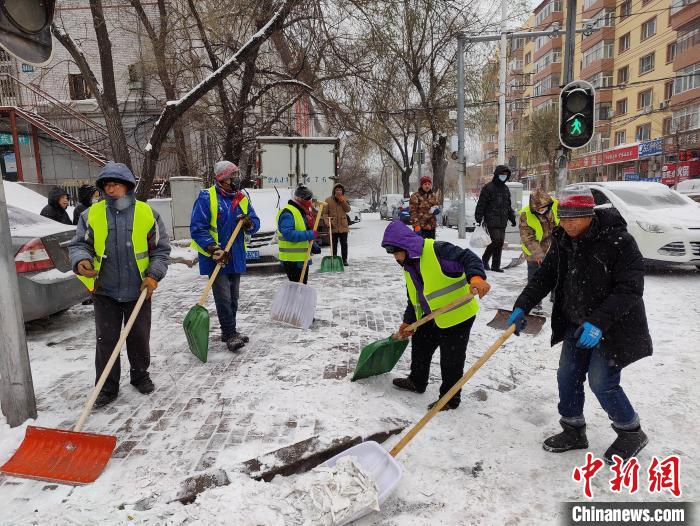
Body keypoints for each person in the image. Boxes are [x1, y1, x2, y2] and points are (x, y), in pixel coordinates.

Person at [507, 185, 651, 464]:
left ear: (589, 215)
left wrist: (598, 323)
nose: (568, 224)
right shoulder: (563, 239)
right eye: (564, 218)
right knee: (567, 375)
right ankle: (573, 429)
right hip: (575, 322)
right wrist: (522, 305)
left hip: (612, 327)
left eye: (575, 218)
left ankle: (630, 432)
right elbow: (545, 276)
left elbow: (630, 289)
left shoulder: (618, 241)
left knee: (602, 382)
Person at [70, 162, 171, 408]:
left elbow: (161, 250)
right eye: (106, 184)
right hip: (104, 290)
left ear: (128, 186)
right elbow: (80, 244)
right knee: (107, 340)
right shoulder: (91, 214)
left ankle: (139, 375)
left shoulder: (147, 214)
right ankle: (106, 387)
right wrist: (81, 260)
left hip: (139, 289)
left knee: (138, 338)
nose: (110, 188)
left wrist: (153, 276)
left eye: (115, 183)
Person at [381, 220, 491, 411]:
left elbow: (468, 258)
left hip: (459, 314)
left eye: (395, 252)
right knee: (421, 345)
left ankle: (450, 399)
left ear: (405, 246)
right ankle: (417, 381)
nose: (394, 257)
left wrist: (476, 277)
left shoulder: (437, 250)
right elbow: (414, 298)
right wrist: (409, 322)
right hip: (432, 315)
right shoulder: (409, 266)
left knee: (451, 359)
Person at [190, 161, 260, 352]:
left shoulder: (241, 198)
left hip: (235, 255)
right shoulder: (207, 197)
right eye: (233, 177)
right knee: (223, 297)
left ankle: (229, 330)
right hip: (216, 256)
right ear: (222, 179)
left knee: (233, 297)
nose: (236, 180)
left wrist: (248, 223)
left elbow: (255, 222)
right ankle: (230, 333)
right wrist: (213, 248)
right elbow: (197, 228)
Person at [519, 188, 559, 310]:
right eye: (538, 209)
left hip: (553, 244)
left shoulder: (556, 206)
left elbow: (562, 225)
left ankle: (556, 297)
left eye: (544, 208)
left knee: (558, 272)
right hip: (533, 248)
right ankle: (535, 302)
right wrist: (539, 256)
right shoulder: (526, 214)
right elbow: (528, 239)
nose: (542, 211)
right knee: (535, 276)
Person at [474, 165, 516, 272]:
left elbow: (508, 206)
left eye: (506, 175)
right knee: (495, 240)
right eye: (502, 174)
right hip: (491, 219)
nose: (504, 177)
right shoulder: (488, 188)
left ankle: (495, 266)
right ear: (497, 174)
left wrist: (512, 218)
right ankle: (484, 259)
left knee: (500, 242)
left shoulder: (506, 189)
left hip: (502, 220)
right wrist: (478, 217)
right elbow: (481, 204)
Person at [276, 185, 321, 284]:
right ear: (301, 199)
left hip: (301, 259)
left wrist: (314, 246)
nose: (310, 201)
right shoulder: (288, 213)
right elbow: (289, 234)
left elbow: (304, 229)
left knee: (301, 289)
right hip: (292, 261)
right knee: (297, 290)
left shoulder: (301, 212)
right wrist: (310, 234)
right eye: (308, 198)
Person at [323, 183, 352, 265]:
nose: (339, 191)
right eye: (337, 189)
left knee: (344, 244)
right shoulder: (328, 200)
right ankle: (334, 259)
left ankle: (344, 260)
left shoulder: (344, 199)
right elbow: (324, 213)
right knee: (333, 244)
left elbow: (348, 210)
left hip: (343, 225)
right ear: (334, 191)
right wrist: (327, 222)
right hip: (333, 225)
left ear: (342, 191)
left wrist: (342, 201)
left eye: (340, 189)